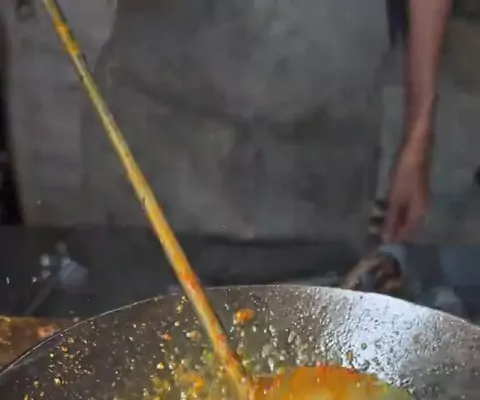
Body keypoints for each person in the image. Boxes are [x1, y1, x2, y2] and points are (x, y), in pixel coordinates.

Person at [80, 0, 452, 283]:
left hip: (319, 167)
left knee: (307, 345)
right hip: (159, 146)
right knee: (139, 334)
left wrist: (418, 139)